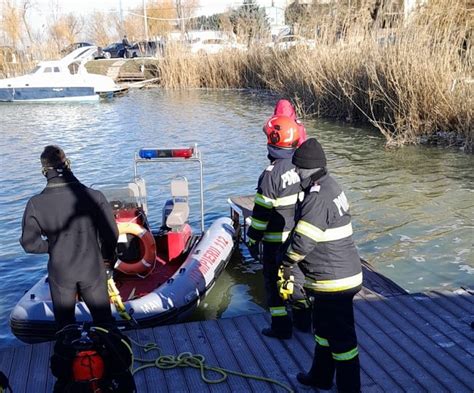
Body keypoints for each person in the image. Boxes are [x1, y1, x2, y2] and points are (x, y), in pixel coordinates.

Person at [279, 138, 362, 392]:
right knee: (324, 331)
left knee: (342, 342)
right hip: (335, 275)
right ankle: (321, 376)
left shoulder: (317, 197)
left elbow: (303, 241)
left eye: (297, 168)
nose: (294, 172)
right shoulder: (330, 185)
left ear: (307, 168)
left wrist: (285, 261)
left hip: (333, 281)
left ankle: (350, 388)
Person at [20, 145, 119, 330]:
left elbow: (29, 244)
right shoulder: (94, 196)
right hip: (92, 268)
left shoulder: (35, 204)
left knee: (65, 327)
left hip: (61, 272)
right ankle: (111, 353)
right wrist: (106, 257)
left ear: (44, 171)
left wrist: (52, 246)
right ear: (67, 164)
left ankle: (68, 353)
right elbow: (111, 234)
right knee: (105, 323)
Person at [247, 115, 311, 339]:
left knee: (273, 285)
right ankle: (304, 322)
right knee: (296, 280)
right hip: (297, 240)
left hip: (275, 243)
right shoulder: (301, 167)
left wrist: (252, 238)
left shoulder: (270, 175)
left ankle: (281, 327)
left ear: (273, 141)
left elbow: (260, 215)